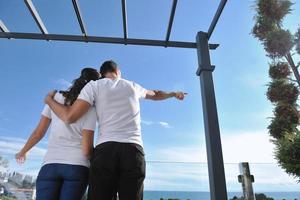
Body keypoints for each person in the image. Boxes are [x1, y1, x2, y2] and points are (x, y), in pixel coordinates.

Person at [44, 60, 186, 200]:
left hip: (105, 151)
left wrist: (50, 100)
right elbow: (156, 94)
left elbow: (70, 117)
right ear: (118, 72)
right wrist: (173, 94)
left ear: (102, 74)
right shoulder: (132, 86)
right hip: (133, 150)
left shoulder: (94, 86)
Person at [16, 68, 99, 200]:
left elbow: (38, 133)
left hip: (50, 165)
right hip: (78, 166)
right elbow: (86, 149)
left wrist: (23, 151)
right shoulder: (91, 109)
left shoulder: (55, 98)